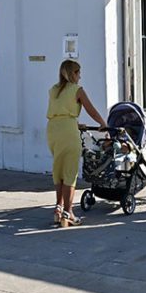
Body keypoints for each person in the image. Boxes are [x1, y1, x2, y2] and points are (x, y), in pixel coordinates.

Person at [46, 59, 106, 228]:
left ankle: (58, 209)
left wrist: (75, 123)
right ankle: (68, 212)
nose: (80, 76)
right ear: (72, 74)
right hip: (68, 132)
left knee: (58, 170)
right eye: (78, 72)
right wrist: (103, 123)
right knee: (70, 172)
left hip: (53, 130)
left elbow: (59, 112)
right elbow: (90, 109)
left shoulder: (53, 90)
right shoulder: (77, 90)